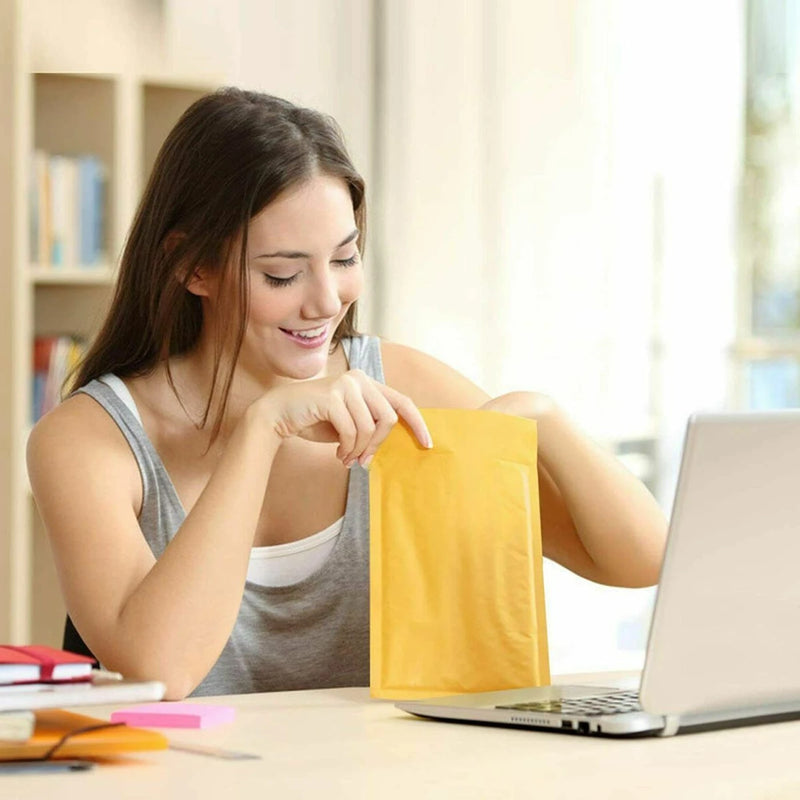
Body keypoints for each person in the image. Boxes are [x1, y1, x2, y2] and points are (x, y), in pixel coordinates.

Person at [27, 88, 667, 700]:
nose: (327, 301)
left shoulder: (401, 387)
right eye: (282, 273)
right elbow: (162, 667)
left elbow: (643, 560)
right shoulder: (88, 440)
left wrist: (540, 417)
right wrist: (260, 430)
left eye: (344, 258)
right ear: (194, 266)